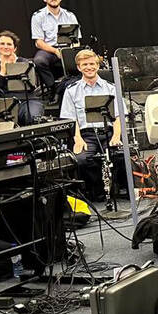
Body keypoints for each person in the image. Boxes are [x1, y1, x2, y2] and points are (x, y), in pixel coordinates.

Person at [59, 49, 122, 202]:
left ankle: (117, 189)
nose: (89, 67)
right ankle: (97, 190)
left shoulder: (111, 88)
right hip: (86, 134)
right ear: (79, 67)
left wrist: (116, 136)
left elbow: (119, 116)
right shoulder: (71, 90)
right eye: (85, 64)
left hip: (108, 132)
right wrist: (78, 139)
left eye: (92, 64)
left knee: (121, 155)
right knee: (81, 159)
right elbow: (71, 119)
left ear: (97, 65)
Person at [0, 30, 45, 126]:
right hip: (2, 102)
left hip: (27, 100)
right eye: (2, 44)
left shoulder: (25, 63)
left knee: (33, 117)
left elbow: (33, 86)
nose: (5, 47)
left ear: (14, 48)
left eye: (9, 44)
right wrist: (2, 73)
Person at [31, 0, 79, 92]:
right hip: (49, 49)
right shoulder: (37, 16)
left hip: (68, 48)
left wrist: (71, 52)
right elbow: (39, 42)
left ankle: (73, 88)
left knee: (82, 59)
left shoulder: (70, 15)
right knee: (39, 61)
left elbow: (76, 40)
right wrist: (56, 51)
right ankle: (53, 89)